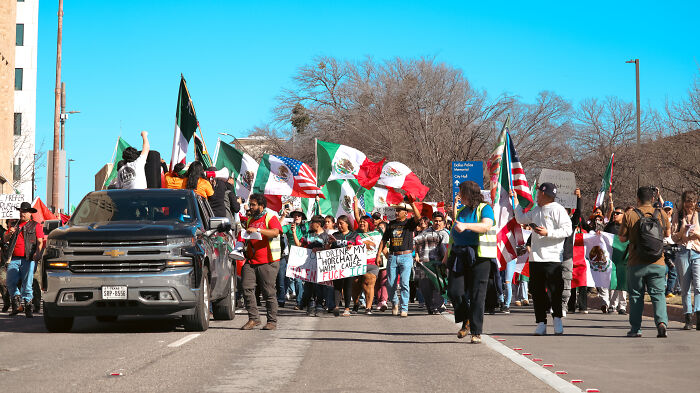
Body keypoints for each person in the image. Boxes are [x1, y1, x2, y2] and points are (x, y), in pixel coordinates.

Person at [513, 182, 572, 336]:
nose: (536, 195)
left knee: (555, 290)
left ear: (545, 194)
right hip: (535, 258)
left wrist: (548, 232)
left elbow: (567, 229)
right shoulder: (536, 210)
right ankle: (541, 322)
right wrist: (520, 203)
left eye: (538, 193)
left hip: (553, 257)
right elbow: (520, 219)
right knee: (537, 291)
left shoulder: (558, 209)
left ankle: (557, 319)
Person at [444, 181, 496, 343]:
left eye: (461, 192)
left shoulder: (485, 208)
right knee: (454, 290)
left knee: (477, 295)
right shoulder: (461, 211)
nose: (459, 195)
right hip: (459, 255)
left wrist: (467, 226)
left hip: (479, 256)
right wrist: (447, 255)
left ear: (469, 193)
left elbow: (486, 226)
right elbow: (453, 235)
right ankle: (466, 319)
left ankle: (476, 331)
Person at [618, 186, 671, 338]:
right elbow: (667, 234)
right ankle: (661, 323)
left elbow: (622, 238)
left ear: (637, 199)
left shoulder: (630, 214)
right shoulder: (661, 213)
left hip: (636, 262)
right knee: (658, 295)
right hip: (658, 261)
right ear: (653, 199)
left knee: (636, 296)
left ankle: (635, 329)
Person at [240, 193, 283, 331]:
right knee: (246, 288)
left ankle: (272, 321)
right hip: (251, 260)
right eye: (250, 204)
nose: (250, 207)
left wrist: (258, 229)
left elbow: (276, 232)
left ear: (261, 206)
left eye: (253, 205)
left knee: (268, 292)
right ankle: (254, 319)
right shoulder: (250, 219)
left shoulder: (270, 217)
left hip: (268, 261)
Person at [376, 197, 421, 317]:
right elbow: (384, 240)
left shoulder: (409, 223)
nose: (396, 213)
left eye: (399, 210)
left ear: (405, 213)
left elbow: (418, 217)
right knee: (390, 283)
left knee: (405, 283)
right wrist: (378, 255)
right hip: (392, 257)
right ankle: (395, 302)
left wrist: (412, 204)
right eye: (396, 210)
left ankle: (404, 308)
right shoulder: (391, 224)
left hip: (406, 256)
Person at [2, 202, 44, 317]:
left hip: (29, 258)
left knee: (27, 283)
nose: (22, 213)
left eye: (24, 211)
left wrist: (38, 253)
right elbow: (4, 239)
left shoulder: (35, 225)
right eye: (21, 211)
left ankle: (28, 307)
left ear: (30, 213)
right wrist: (9, 234)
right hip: (14, 258)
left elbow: (40, 242)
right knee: (10, 282)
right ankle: (17, 305)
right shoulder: (14, 224)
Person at [670, 190, 700, 330]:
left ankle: (699, 316)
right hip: (682, 252)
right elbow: (674, 237)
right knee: (685, 287)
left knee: (699, 286)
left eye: (692, 203)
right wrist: (682, 231)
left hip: (697, 252)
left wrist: (697, 235)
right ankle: (688, 318)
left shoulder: (699, 215)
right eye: (687, 203)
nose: (689, 206)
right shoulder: (678, 215)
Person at [414, 211, 449, 314]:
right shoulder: (425, 232)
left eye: (439, 221)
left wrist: (444, 264)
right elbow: (415, 242)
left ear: (443, 222)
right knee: (425, 287)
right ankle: (431, 307)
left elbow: (445, 251)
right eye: (435, 221)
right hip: (424, 264)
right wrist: (416, 254)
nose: (437, 223)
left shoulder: (445, 234)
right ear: (432, 221)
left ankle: (437, 306)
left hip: (438, 264)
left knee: (438, 286)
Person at [295, 215, 331, 316]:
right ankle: (310, 304)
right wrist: (294, 233)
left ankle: (319, 305)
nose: (310, 224)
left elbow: (329, 250)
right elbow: (300, 245)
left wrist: (320, 249)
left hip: (320, 266)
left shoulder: (326, 236)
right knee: (308, 286)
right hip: (308, 265)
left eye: (312, 223)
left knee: (319, 286)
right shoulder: (308, 234)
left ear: (318, 224)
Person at [599, 203, 628, 315]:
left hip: (624, 257)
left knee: (622, 282)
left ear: (624, 215)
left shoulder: (627, 227)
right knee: (613, 281)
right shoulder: (610, 226)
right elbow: (603, 238)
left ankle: (623, 306)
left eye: (618, 213)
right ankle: (612, 305)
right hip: (612, 257)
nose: (615, 214)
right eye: (614, 213)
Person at [329, 215, 362, 316]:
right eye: (338, 223)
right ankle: (336, 306)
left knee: (348, 286)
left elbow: (360, 248)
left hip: (350, 265)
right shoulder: (334, 235)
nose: (339, 225)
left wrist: (353, 247)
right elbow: (328, 249)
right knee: (337, 286)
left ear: (347, 224)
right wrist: (329, 244)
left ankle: (347, 308)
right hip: (337, 265)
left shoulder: (355, 235)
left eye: (341, 223)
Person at [353, 215, 382, 314]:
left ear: (369, 224)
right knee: (356, 284)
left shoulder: (377, 234)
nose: (361, 223)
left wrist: (388, 258)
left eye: (364, 222)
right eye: (360, 222)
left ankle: (368, 307)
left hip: (372, 263)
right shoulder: (354, 234)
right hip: (357, 263)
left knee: (368, 285)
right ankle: (356, 304)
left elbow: (383, 247)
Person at [280, 206, 308, 309]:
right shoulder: (289, 227)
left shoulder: (306, 226)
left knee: (309, 280)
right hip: (294, 256)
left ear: (302, 217)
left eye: (299, 215)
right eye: (295, 215)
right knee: (297, 280)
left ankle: (310, 301)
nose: (296, 217)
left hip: (307, 255)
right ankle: (299, 302)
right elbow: (277, 229)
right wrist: (283, 216)